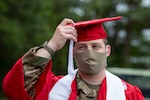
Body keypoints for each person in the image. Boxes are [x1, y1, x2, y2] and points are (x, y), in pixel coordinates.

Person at [2, 16, 144, 100]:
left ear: (107, 51)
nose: (89, 53)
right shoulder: (53, 87)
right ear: (73, 52)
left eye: (95, 47)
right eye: (82, 47)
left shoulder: (129, 94)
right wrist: (52, 45)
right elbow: (15, 88)